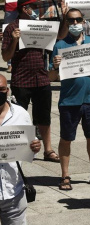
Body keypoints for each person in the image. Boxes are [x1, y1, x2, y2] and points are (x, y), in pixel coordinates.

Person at [49, 8, 90, 190]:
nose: (75, 24)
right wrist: (55, 67)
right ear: (66, 23)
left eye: (78, 20)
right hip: (69, 100)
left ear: (84, 21)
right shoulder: (59, 45)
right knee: (66, 138)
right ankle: (65, 175)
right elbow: (51, 78)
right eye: (71, 21)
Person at [1, 0, 59, 163]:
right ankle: (16, 150)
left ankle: (48, 150)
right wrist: (14, 41)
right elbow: (5, 57)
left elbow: (58, 38)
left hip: (41, 78)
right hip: (21, 79)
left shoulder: (40, 26)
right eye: (32, 7)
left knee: (44, 117)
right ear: (24, 9)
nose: (35, 10)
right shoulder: (11, 28)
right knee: (17, 115)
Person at [0, 74, 41, 224]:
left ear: (7, 90)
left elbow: (29, 146)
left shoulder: (20, 114)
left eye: (1, 89)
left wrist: (35, 147)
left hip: (13, 193)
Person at [1, 0, 27, 73]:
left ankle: (23, 59)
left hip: (22, 9)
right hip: (10, 10)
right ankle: (10, 64)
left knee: (22, 33)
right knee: (9, 34)